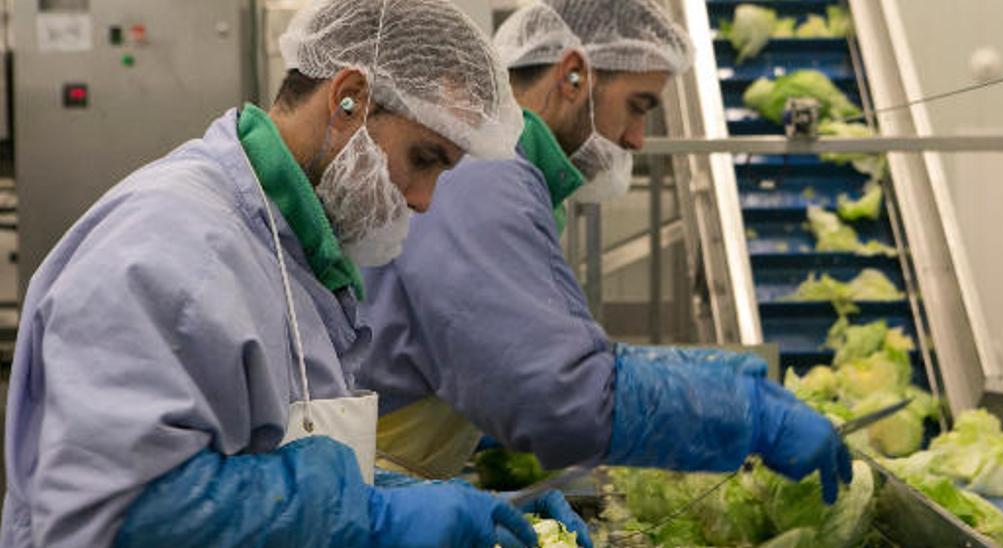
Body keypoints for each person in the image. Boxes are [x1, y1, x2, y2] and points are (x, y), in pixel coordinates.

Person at [0, 0, 585, 546]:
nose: (425, 200)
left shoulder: (288, 255)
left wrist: (452, 503)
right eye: (424, 159)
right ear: (349, 97)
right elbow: (114, 513)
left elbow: (261, 459)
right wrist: (374, 519)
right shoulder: (176, 249)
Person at [358, 0, 853, 525]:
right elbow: (556, 391)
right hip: (358, 498)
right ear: (573, 74)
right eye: (638, 106)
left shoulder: (509, 178)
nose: (637, 138)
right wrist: (745, 412)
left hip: (381, 484)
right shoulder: (485, 176)